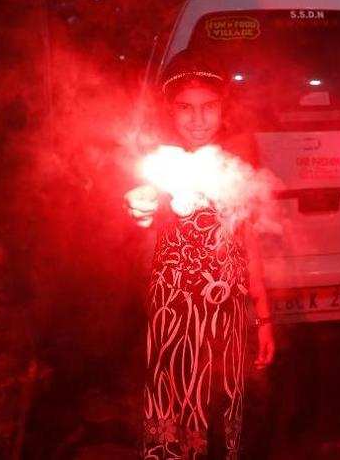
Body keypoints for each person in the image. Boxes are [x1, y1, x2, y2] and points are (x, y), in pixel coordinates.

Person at [124, 49, 275, 459]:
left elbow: (249, 240)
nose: (197, 119)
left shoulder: (238, 157)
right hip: (173, 315)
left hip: (227, 314)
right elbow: (141, 204)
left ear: (224, 107)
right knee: (175, 410)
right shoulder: (159, 160)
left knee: (225, 412)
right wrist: (138, 209)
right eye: (185, 108)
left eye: (208, 107)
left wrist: (262, 317)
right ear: (170, 112)